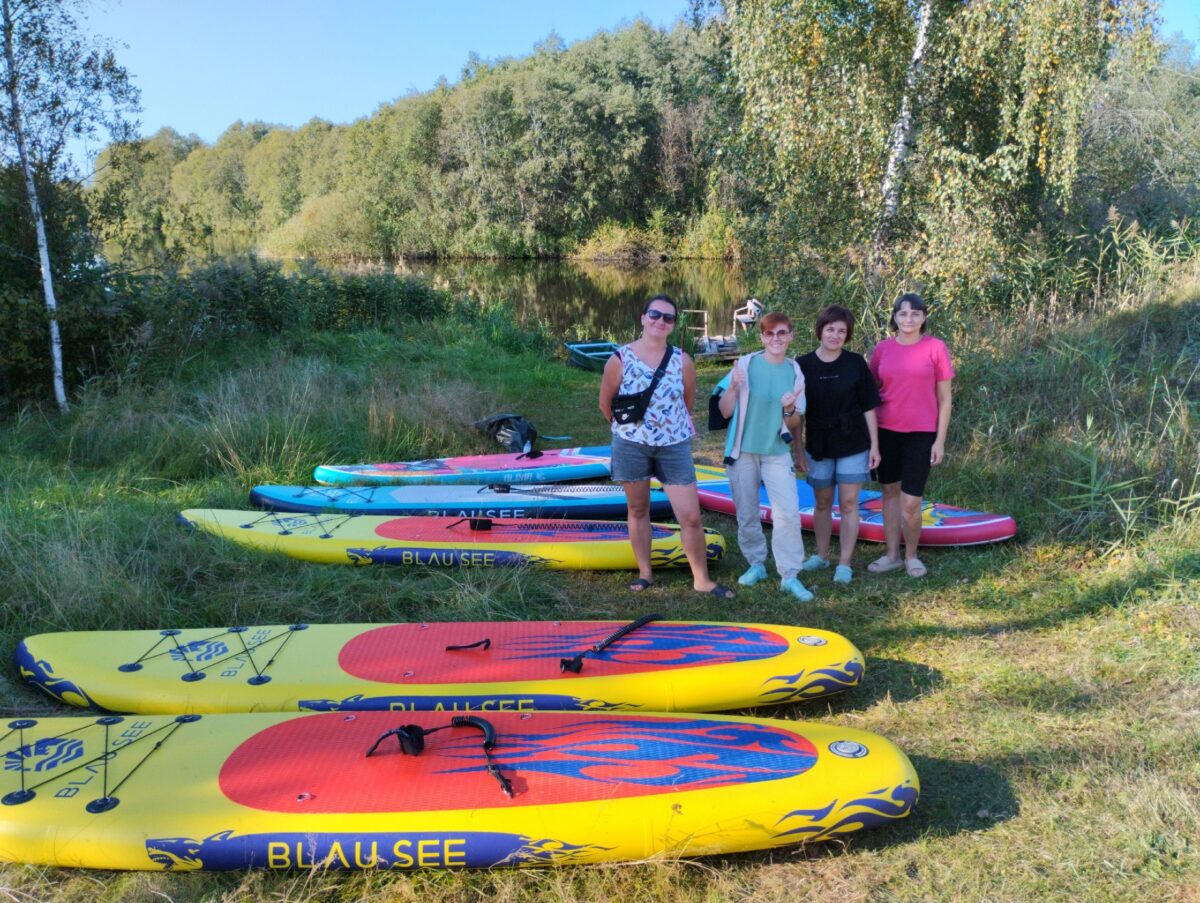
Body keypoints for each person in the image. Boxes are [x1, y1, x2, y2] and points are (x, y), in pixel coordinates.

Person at [599, 294, 734, 598]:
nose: (661, 321)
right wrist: (631, 431)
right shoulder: (619, 359)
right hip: (631, 445)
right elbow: (605, 403)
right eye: (655, 315)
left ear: (673, 324)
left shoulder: (683, 360)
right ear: (643, 318)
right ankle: (645, 573)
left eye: (668, 317)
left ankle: (701, 579)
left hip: (674, 446)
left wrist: (666, 428)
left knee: (690, 516)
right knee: (638, 509)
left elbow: (687, 403)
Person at [715, 312, 813, 601]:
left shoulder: (795, 372)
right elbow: (724, 411)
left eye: (782, 333)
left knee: (788, 514)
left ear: (791, 336)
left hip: (776, 452)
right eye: (769, 333)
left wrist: (789, 409)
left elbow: (794, 423)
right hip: (742, 451)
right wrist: (733, 386)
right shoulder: (745, 365)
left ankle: (789, 575)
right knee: (747, 511)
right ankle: (756, 564)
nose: (776, 339)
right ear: (761, 337)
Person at [867, 292, 954, 578]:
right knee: (889, 494)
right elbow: (870, 393)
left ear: (923, 317)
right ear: (894, 317)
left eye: (915, 313)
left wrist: (940, 441)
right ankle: (892, 555)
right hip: (886, 432)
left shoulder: (936, 348)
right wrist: (871, 441)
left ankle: (911, 556)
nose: (909, 319)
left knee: (911, 502)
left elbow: (945, 399)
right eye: (903, 313)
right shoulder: (882, 349)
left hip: (921, 434)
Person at [796, 304, 881, 585]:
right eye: (830, 329)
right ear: (820, 330)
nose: (835, 335)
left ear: (848, 335)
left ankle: (844, 562)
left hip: (853, 441)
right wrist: (798, 449)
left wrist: (875, 446)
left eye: (841, 331)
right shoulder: (802, 365)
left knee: (848, 503)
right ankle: (821, 555)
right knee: (822, 502)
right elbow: (796, 413)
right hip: (818, 443)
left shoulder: (856, 363)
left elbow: (869, 406)